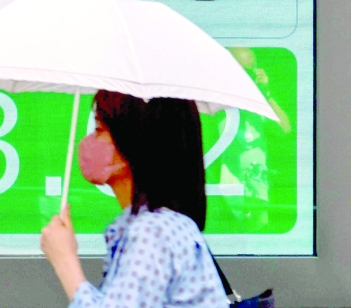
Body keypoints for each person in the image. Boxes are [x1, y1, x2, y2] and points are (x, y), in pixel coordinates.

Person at [40, 90, 229, 308]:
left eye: (99, 129)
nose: (88, 141)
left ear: (134, 141)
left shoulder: (152, 233)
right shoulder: (149, 226)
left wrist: (65, 261)